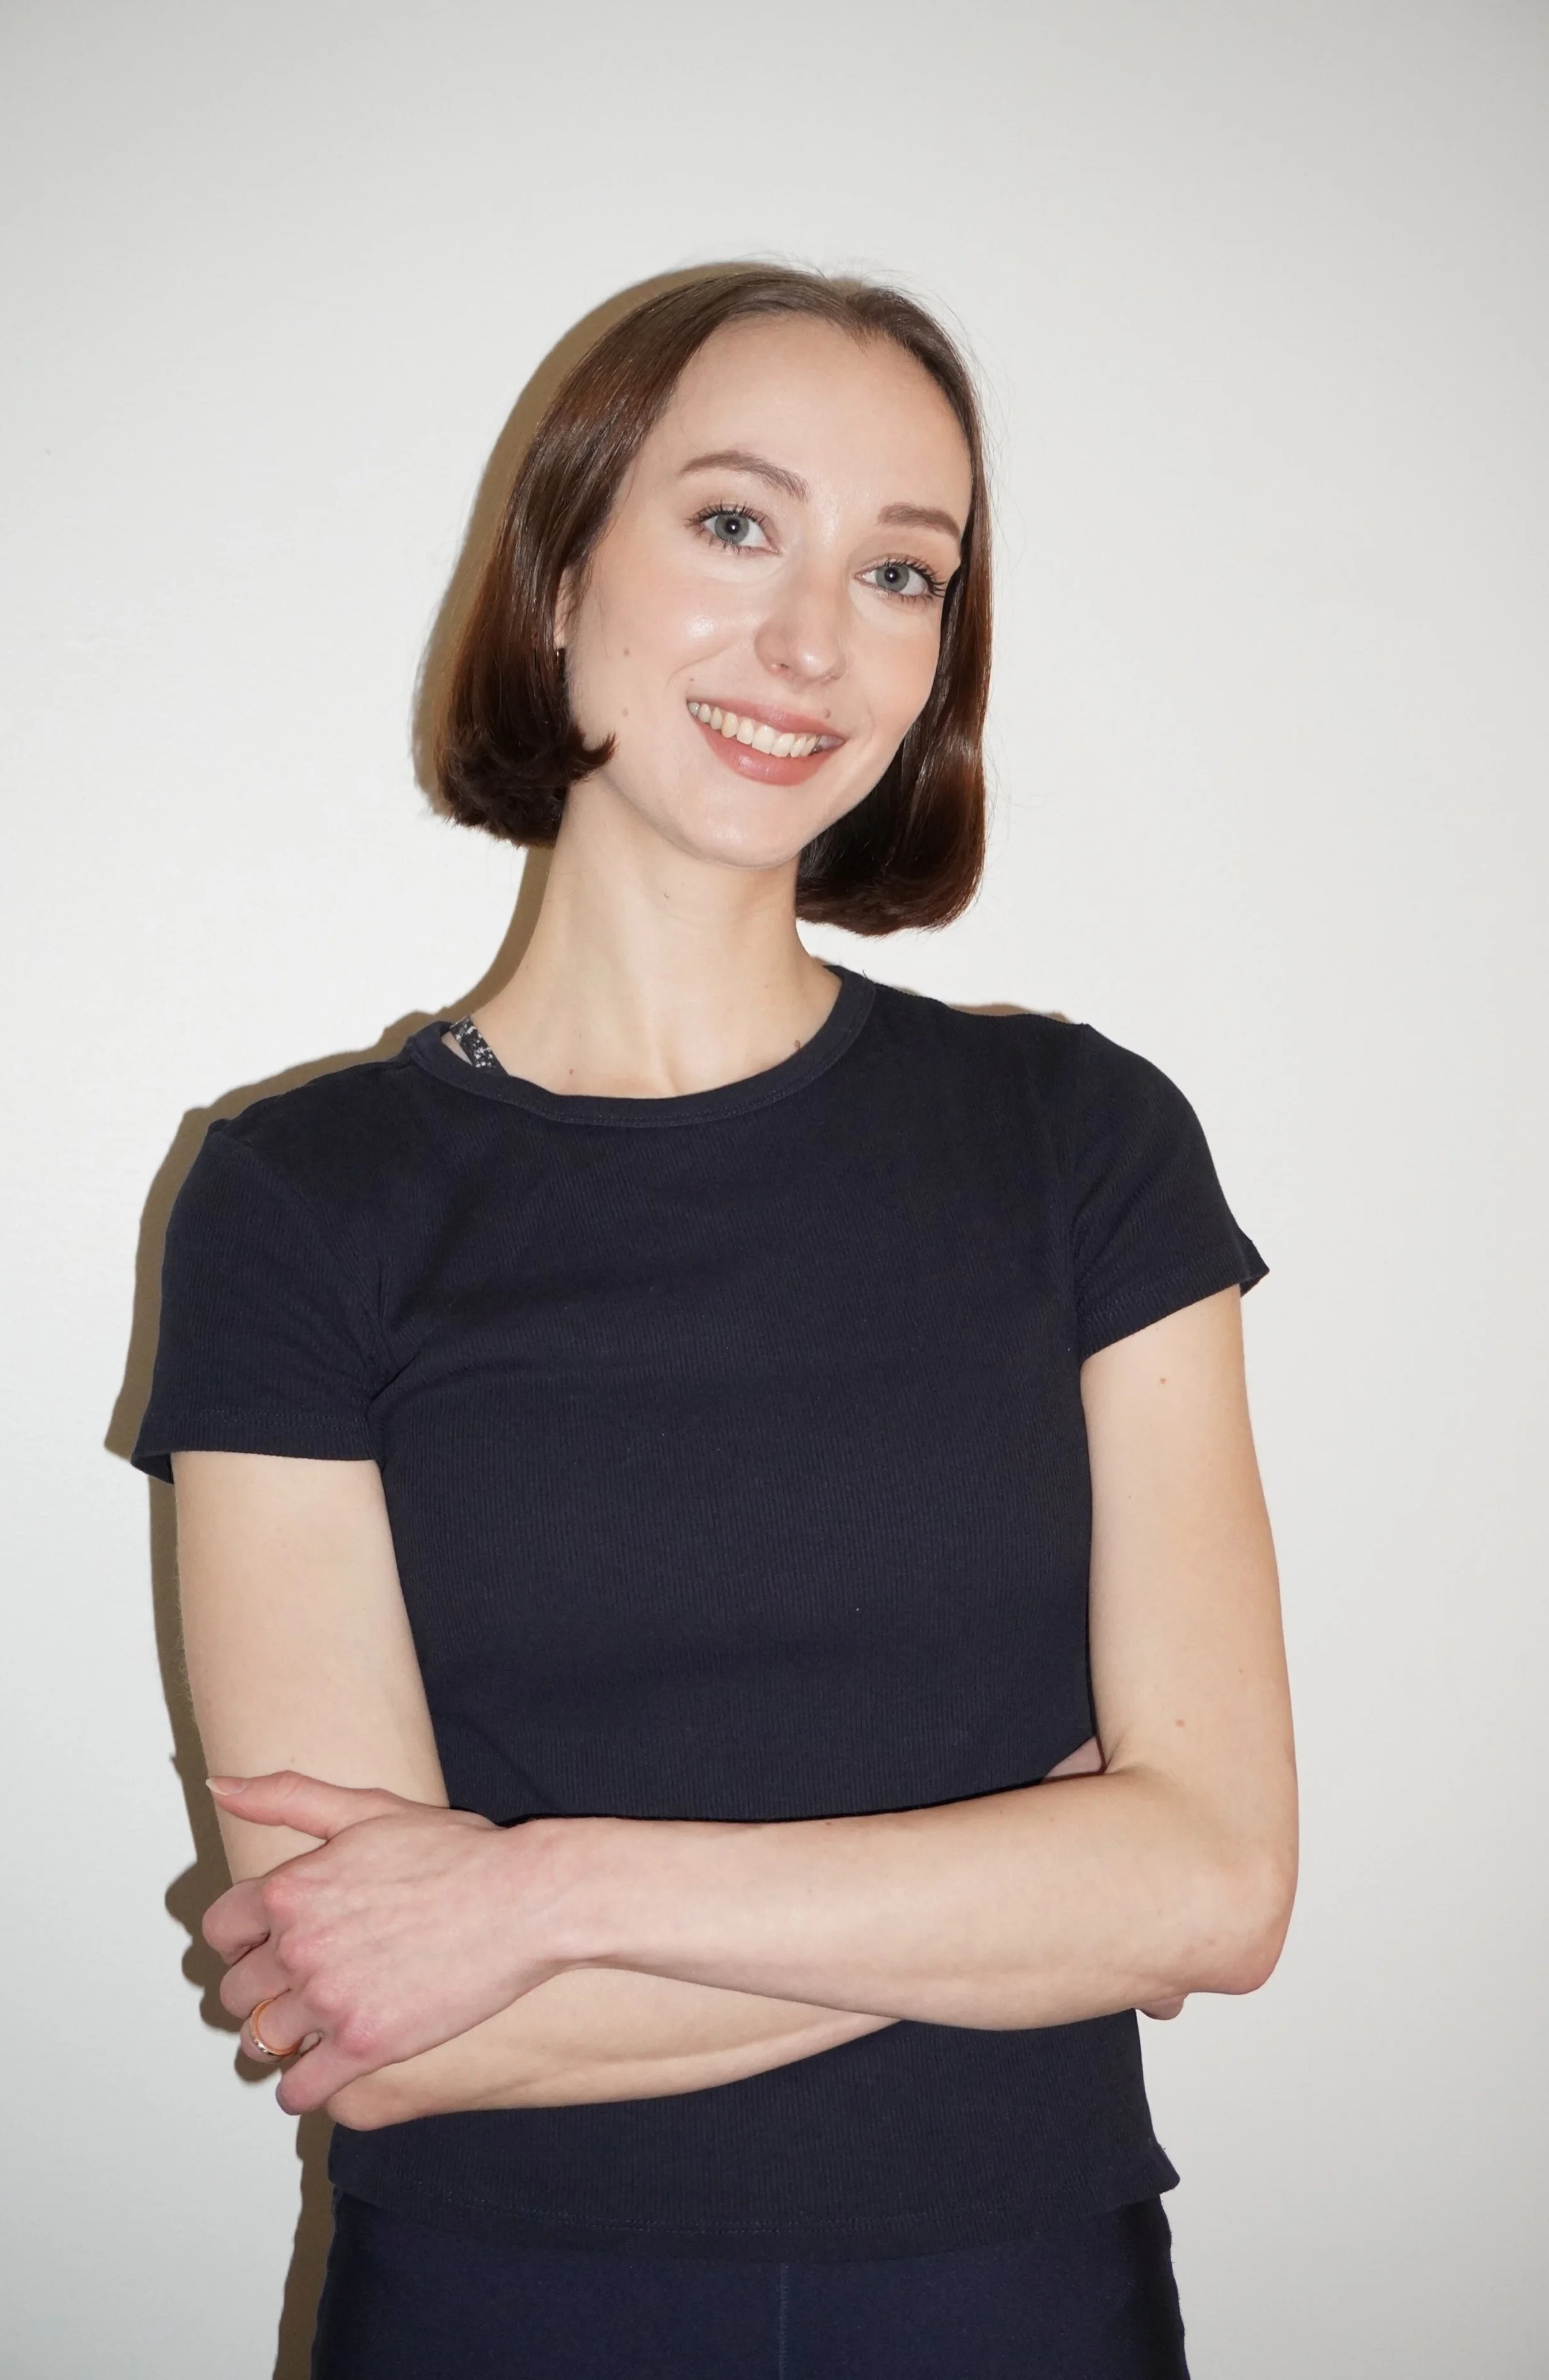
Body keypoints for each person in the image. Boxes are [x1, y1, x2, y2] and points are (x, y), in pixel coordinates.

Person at [133, 265, 1296, 2378]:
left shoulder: (1079, 1140)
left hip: (1016, 2296)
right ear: (562, 559)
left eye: (900, 570)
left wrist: (545, 1889)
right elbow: (377, 2030)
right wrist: (1025, 1891)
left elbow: (1216, 1886)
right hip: (498, 2303)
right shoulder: (296, 1201)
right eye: (736, 523)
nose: (811, 642)